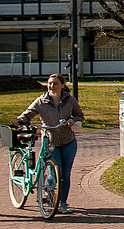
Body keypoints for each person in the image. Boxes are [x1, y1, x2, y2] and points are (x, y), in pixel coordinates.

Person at [14, 73, 84, 215]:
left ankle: (63, 202)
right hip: (50, 141)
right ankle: (51, 197)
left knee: (65, 173)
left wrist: (72, 120)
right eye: (50, 83)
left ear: (62, 85)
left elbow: (80, 115)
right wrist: (19, 119)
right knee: (54, 170)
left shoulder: (69, 100)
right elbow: (28, 113)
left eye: (55, 83)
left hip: (68, 141)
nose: (52, 86)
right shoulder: (41, 101)